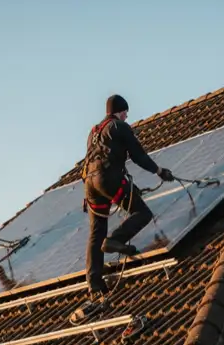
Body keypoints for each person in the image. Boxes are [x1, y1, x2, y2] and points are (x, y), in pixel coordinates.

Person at [73, 94, 174, 324]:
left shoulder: (94, 132)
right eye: (126, 111)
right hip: (108, 179)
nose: (127, 115)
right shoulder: (120, 126)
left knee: (96, 231)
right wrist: (159, 171)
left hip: (90, 185)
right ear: (119, 111)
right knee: (142, 213)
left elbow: (96, 158)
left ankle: (95, 285)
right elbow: (138, 156)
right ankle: (115, 239)